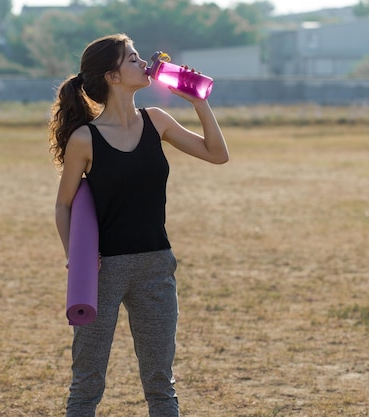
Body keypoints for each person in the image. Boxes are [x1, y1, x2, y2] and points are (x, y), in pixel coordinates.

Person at [48, 33, 229, 417]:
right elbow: (63, 205)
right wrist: (77, 260)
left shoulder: (157, 121)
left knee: (161, 386)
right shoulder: (85, 139)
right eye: (132, 59)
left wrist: (199, 102)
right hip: (103, 271)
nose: (144, 63)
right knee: (87, 384)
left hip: (156, 265)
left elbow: (217, 155)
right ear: (112, 76)